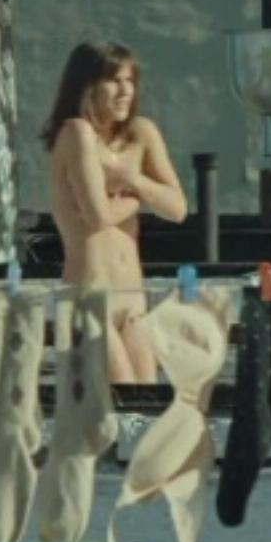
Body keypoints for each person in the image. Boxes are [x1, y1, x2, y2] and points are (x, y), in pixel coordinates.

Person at [42, 42, 189, 384]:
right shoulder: (77, 133)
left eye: (130, 81)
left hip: (132, 299)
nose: (125, 91)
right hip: (90, 296)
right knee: (117, 398)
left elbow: (177, 208)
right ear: (87, 86)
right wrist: (139, 199)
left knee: (144, 401)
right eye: (113, 81)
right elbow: (98, 216)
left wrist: (133, 180)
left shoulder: (142, 133)